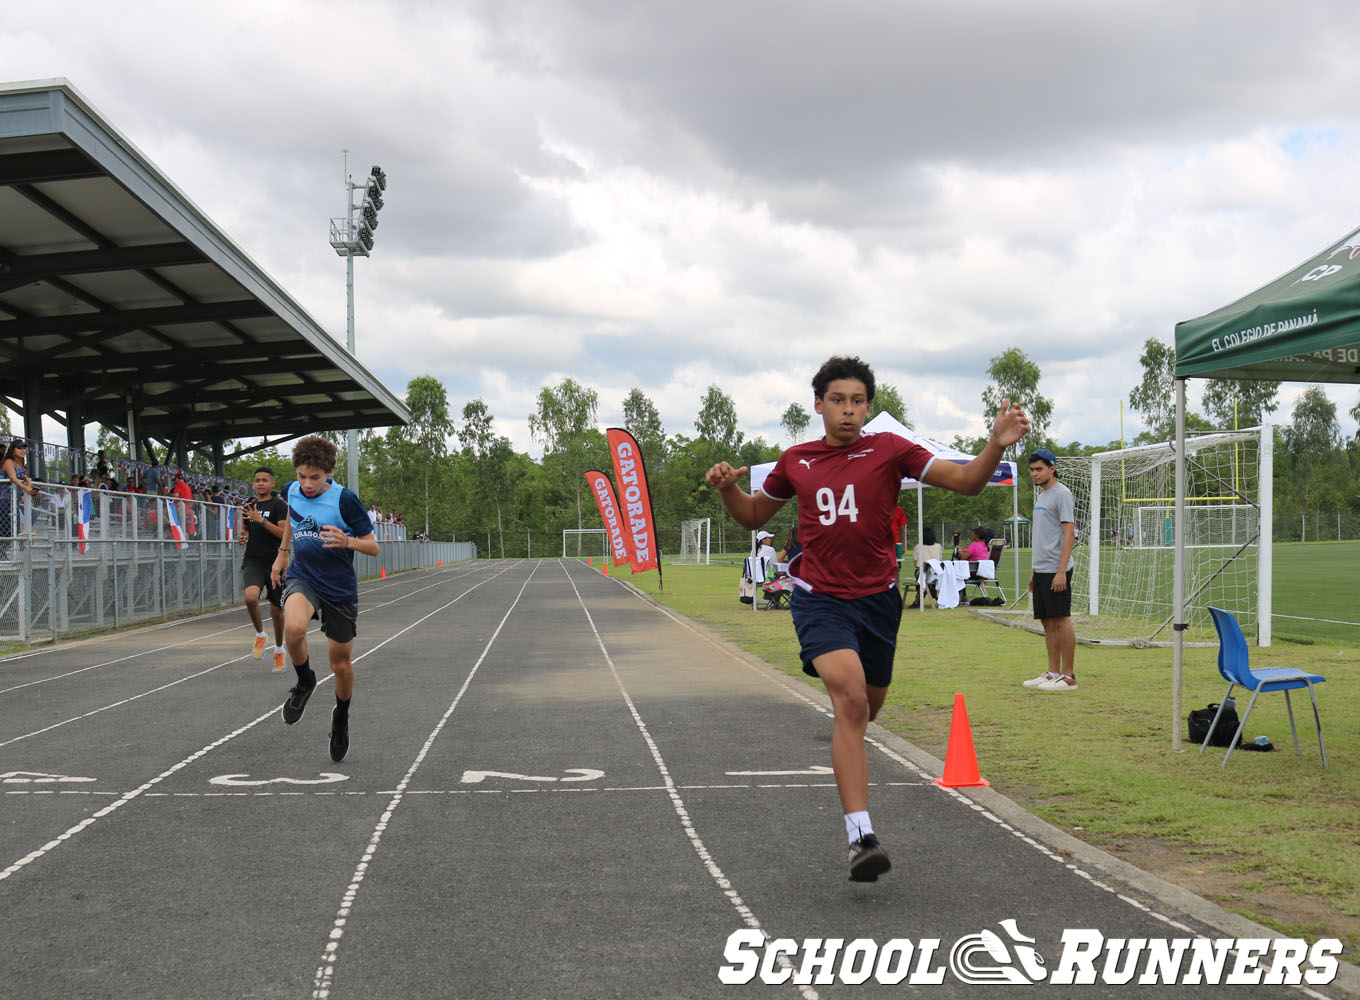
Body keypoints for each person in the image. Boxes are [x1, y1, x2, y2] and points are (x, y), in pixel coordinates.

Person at [704, 355, 1028, 881]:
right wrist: (727, 489)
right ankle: (861, 836)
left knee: (866, 708)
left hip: (877, 600)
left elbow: (967, 482)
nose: (848, 411)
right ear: (819, 405)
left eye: (858, 401)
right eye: (838, 400)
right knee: (851, 698)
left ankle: (847, 741)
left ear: (869, 407)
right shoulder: (797, 460)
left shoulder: (890, 449)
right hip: (819, 597)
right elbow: (753, 515)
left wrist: (994, 444)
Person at [270, 436, 379, 763]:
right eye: (302, 476)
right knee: (293, 628)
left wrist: (347, 541)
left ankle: (341, 717)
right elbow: (291, 515)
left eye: (314, 478)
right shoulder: (292, 490)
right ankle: (305, 681)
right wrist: (282, 554)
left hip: (339, 588)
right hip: (303, 577)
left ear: (328, 473)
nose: (307, 484)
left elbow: (373, 546)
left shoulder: (345, 500)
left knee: (341, 664)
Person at [1023, 449, 1078, 691]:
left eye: (1039, 469)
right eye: (1032, 470)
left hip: (1058, 569)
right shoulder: (1042, 495)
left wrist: (1060, 571)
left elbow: (1069, 535)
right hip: (1042, 569)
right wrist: (1036, 571)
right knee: (1047, 621)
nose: (1035, 474)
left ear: (1052, 469)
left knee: (1060, 619)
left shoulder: (1061, 494)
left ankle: (1068, 677)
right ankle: (1052, 672)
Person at [239, 466, 289, 671]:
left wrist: (262, 520)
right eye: (257, 480)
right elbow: (245, 528)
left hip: (276, 563)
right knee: (250, 597)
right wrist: (243, 536)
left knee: (277, 611)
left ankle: (279, 649)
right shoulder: (248, 506)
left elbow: (283, 533)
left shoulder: (279, 505)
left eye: (264, 480)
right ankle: (260, 634)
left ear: (272, 483)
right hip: (253, 560)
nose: (260, 483)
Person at [1, 440, 41, 539]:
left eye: (24, 448)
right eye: (19, 448)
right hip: (4, 498)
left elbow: (22, 475)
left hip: (13, 499)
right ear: (13, 450)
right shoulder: (8, 462)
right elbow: (13, 478)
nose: (23, 450)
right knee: (6, 529)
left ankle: (22, 531)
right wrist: (26, 488)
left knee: (32, 514)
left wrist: (27, 479)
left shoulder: (20, 462)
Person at [906, 527, 943, 609]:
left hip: (923, 574)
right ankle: (932, 592)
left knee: (919, 573)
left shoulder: (918, 547)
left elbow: (916, 564)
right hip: (937, 574)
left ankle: (918, 599)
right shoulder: (938, 546)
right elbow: (940, 561)